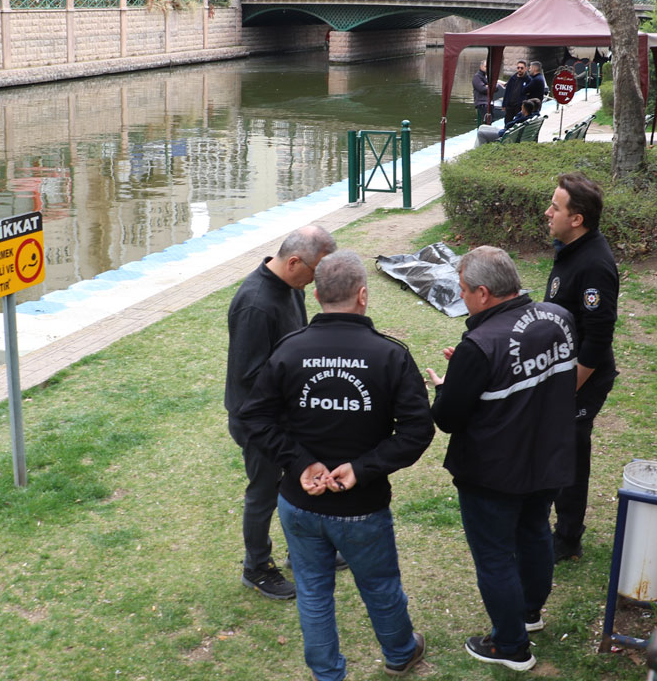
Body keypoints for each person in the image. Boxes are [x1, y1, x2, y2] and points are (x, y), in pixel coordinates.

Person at [239, 251, 434, 681]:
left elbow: (253, 418)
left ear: (315, 295)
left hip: (300, 501)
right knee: (379, 586)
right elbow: (418, 431)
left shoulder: (290, 350)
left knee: (313, 591)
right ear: (363, 295)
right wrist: (360, 468)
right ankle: (400, 652)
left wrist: (301, 464)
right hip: (361, 506)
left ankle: (327, 673)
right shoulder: (389, 355)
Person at [426, 246, 577, 672]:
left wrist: (447, 385)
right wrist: (469, 373)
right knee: (534, 531)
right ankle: (529, 612)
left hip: (493, 472)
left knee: (494, 556)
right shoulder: (558, 318)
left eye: (463, 289)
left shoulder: (479, 344)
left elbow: (448, 418)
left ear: (483, 293)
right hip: (547, 457)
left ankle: (511, 645)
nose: (461, 297)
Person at [226, 225, 338, 600]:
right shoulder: (256, 304)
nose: (316, 281)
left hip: (288, 413)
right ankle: (256, 567)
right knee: (264, 492)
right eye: (315, 272)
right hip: (258, 421)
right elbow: (250, 375)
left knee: (296, 482)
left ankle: (300, 551)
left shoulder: (293, 287)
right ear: (293, 262)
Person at [543, 173, 619, 563]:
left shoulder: (594, 265)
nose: (548, 212)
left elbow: (598, 337)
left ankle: (568, 537)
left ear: (577, 219)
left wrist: (570, 386)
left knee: (571, 450)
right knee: (553, 446)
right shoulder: (570, 250)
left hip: (582, 378)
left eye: (555, 207)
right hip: (560, 374)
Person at [503, 59, 529, 126]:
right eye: (518, 68)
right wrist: (504, 104)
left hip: (520, 106)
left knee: (519, 124)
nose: (519, 70)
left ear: (525, 69)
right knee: (507, 123)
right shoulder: (513, 78)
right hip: (510, 106)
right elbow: (507, 92)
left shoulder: (528, 80)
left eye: (522, 68)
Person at [472, 60, 492, 126]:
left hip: (488, 103)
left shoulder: (486, 77)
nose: (487, 68)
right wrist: (489, 87)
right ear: (481, 66)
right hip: (481, 104)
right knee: (486, 122)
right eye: (486, 66)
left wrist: (489, 86)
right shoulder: (477, 77)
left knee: (489, 121)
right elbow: (482, 89)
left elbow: (495, 87)